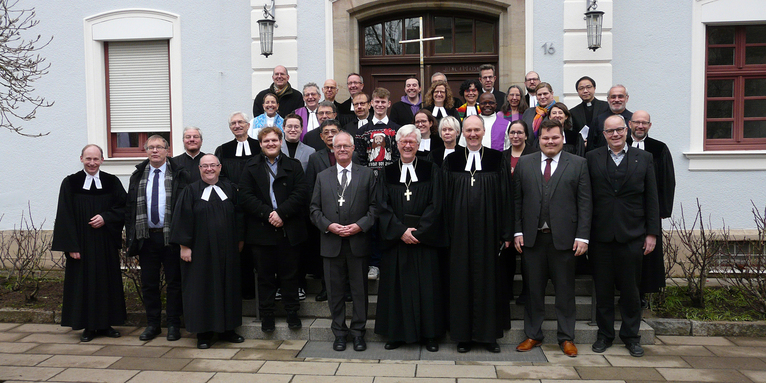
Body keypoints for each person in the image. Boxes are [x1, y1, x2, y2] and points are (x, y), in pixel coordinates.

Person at [513, 118, 592, 357]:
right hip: (532, 240)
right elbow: (516, 200)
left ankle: (566, 337)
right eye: (545, 138)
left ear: (562, 138)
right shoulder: (525, 163)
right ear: (539, 140)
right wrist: (517, 231)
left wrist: (583, 237)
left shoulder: (578, 164)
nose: (550, 142)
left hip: (565, 241)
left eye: (554, 137)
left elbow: (585, 203)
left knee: (565, 292)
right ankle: (533, 335)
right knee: (534, 291)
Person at [586, 114, 660, 358]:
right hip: (601, 236)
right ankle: (605, 335)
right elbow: (586, 199)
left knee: (631, 291)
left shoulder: (645, 158)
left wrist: (652, 233)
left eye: (619, 130)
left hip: (633, 236)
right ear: (604, 134)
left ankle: (631, 336)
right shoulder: (591, 158)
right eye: (610, 131)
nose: (615, 134)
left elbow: (651, 198)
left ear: (627, 130)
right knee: (603, 290)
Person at [443, 115, 513, 353]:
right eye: (468, 130)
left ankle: (489, 336)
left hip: (489, 232)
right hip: (459, 234)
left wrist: (506, 232)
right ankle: (463, 336)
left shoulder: (496, 159)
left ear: (484, 132)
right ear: (462, 132)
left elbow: (506, 197)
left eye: (477, 130)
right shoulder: (451, 161)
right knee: (460, 282)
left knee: (489, 282)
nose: (472, 134)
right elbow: (443, 199)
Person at [375, 124, 445, 352]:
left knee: (428, 288)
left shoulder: (431, 169)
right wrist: (400, 231)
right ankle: (396, 334)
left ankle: (430, 335)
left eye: (411, 142)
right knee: (396, 289)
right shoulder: (387, 173)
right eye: (403, 141)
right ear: (397, 145)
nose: (407, 145)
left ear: (418, 145)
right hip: (397, 241)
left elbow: (437, 203)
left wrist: (419, 231)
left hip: (424, 240)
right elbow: (382, 206)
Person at [310, 131, 377, 352]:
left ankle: (358, 333)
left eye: (346, 146)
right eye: (337, 146)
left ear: (352, 149)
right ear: (333, 149)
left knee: (359, 292)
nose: (341, 150)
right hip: (331, 243)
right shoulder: (323, 176)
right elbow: (314, 209)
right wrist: (329, 225)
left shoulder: (367, 175)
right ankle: (339, 333)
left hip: (358, 243)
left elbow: (375, 208)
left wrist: (360, 225)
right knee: (335, 292)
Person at [52, 144, 127, 342]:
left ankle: (106, 324)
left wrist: (106, 217)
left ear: (102, 160)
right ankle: (88, 326)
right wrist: (71, 246)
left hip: (104, 243)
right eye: (88, 159)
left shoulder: (112, 182)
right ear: (81, 159)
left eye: (95, 159)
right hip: (81, 245)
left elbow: (124, 207)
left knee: (106, 282)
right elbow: (64, 215)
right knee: (83, 284)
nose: (92, 163)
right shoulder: (71, 182)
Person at [239, 126, 310, 333]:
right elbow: (245, 196)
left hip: (289, 229)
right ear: (260, 144)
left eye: (274, 140)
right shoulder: (250, 166)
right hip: (261, 231)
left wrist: (282, 214)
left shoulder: (294, 165)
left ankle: (292, 312)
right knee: (265, 276)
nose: (270, 144)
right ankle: (267, 315)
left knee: (290, 275)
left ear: (281, 142)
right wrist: (268, 214)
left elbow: (301, 192)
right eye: (266, 141)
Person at [170, 154, 243, 349]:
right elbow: (181, 218)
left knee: (228, 286)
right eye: (205, 166)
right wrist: (184, 246)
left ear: (220, 167)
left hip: (227, 249)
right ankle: (203, 333)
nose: (209, 169)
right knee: (201, 289)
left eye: (213, 165)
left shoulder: (230, 188)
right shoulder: (190, 191)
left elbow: (239, 215)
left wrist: (240, 240)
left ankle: (229, 329)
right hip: (200, 251)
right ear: (199, 169)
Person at [125, 135, 189, 341]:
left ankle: (173, 324)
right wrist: (131, 238)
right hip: (147, 238)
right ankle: (152, 324)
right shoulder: (137, 175)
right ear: (145, 151)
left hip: (171, 238)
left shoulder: (180, 174)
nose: (155, 151)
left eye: (159, 147)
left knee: (174, 283)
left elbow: (186, 208)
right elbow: (130, 209)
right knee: (149, 284)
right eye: (151, 147)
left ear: (167, 150)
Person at [627, 110, 676, 305]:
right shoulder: (619, 145)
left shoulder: (659, 148)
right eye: (637, 122)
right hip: (627, 210)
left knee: (648, 252)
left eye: (644, 123)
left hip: (650, 211)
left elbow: (668, 180)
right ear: (629, 124)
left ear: (649, 125)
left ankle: (642, 295)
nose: (640, 126)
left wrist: (663, 211)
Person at [214, 112, 262, 300]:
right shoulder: (223, 149)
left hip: (257, 204)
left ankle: (257, 291)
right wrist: (235, 191)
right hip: (234, 204)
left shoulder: (259, 147)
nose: (237, 125)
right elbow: (220, 175)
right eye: (233, 123)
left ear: (248, 125)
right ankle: (241, 290)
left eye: (240, 122)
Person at [501, 120, 538, 306]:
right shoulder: (502, 156)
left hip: (528, 209)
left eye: (519, 133)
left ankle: (527, 291)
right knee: (507, 253)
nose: (515, 136)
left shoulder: (535, 154)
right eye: (512, 132)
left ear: (526, 135)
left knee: (527, 255)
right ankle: (506, 290)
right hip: (507, 209)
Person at [355, 87, 400, 175]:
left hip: (391, 176)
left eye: (383, 102)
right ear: (371, 103)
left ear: (389, 104)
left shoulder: (398, 130)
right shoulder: (361, 132)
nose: (380, 105)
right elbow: (360, 158)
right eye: (377, 101)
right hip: (369, 178)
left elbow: (398, 155)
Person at [586, 84, 633, 151]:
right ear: (608, 99)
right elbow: (590, 148)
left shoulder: (634, 120)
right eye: (613, 97)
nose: (616, 100)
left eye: (620, 96)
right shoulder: (598, 121)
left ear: (627, 98)